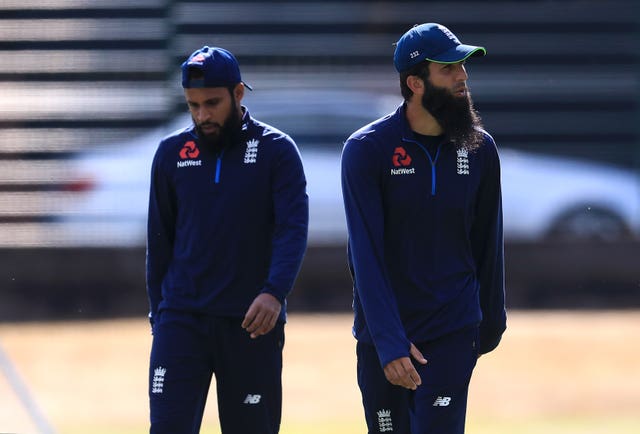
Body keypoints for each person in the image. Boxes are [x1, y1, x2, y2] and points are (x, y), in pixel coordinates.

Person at [341, 23, 507, 433]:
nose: (462, 76)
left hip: (453, 331)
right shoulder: (366, 150)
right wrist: (389, 340)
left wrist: (489, 325)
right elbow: (366, 255)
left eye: (463, 67)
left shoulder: (480, 149)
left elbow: (488, 243)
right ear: (415, 83)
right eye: (449, 69)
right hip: (383, 338)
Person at [146, 46, 308, 434]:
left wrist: (274, 292)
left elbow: (293, 230)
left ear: (238, 94)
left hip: (252, 325)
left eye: (212, 103)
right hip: (181, 322)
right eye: (193, 105)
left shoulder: (277, 152)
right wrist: (161, 314)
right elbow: (160, 241)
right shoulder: (171, 154)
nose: (202, 115)